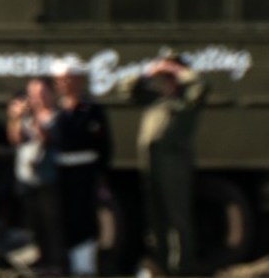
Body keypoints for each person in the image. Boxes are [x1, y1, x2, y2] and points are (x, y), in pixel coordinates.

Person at [119, 53, 205, 278]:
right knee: (156, 219)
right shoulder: (155, 99)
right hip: (150, 164)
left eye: (171, 76)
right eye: (165, 77)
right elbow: (126, 89)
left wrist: (177, 70)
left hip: (174, 164)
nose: (167, 81)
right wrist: (149, 71)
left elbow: (202, 85)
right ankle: (161, 266)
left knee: (177, 218)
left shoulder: (188, 99)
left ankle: (182, 267)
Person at [49, 58, 112, 278]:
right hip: (61, 173)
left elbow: (103, 145)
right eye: (59, 80)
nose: (63, 84)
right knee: (63, 219)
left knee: (84, 219)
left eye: (67, 79)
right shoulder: (56, 110)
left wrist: (100, 174)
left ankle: (84, 266)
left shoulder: (91, 109)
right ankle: (66, 263)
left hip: (84, 172)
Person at [8, 77, 63, 274]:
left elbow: (47, 139)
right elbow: (15, 139)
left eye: (40, 93)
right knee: (33, 223)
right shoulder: (27, 118)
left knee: (51, 223)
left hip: (49, 178)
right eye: (32, 94)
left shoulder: (57, 116)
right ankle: (40, 260)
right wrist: (16, 118)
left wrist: (38, 117)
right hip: (27, 178)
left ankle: (55, 263)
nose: (36, 98)